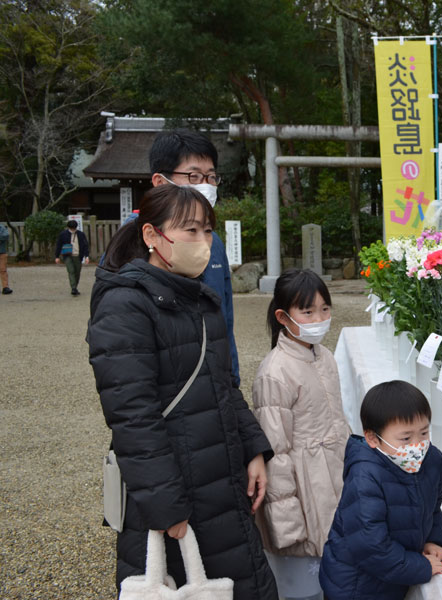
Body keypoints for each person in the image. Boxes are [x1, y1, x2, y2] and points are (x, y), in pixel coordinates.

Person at [87, 184, 278, 600]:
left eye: (207, 231)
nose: (202, 242)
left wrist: (254, 449)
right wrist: (166, 505)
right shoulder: (125, 305)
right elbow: (132, 416)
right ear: (152, 236)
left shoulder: (200, 298)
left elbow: (225, 385)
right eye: (190, 231)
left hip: (222, 479)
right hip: (177, 492)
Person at [252, 268, 351, 599]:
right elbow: (275, 455)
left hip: (333, 478)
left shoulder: (325, 357)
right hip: (303, 487)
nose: (319, 318)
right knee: (304, 583)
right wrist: (287, 525)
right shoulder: (274, 373)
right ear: (283, 316)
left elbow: (339, 420)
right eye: (307, 311)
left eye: (324, 309)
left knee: (337, 571)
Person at [319, 380, 442, 600]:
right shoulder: (364, 477)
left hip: (392, 578)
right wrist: (419, 567)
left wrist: (432, 539)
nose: (417, 445)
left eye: (424, 433)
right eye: (406, 438)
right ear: (372, 438)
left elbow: (434, 506)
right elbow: (371, 546)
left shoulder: (432, 460)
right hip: (355, 586)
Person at [149, 128, 241, 386]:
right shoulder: (130, 243)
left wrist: (231, 379)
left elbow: (225, 320)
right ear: (160, 182)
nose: (206, 186)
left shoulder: (215, 243)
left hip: (216, 385)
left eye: (211, 177)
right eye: (194, 176)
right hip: (167, 393)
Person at [54, 219, 90, 295]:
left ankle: (75, 287)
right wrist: (57, 256)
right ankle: (73, 288)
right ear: (68, 227)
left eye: (74, 228)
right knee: (71, 271)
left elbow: (85, 245)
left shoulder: (81, 234)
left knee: (77, 272)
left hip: (78, 255)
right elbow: (59, 245)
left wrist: (87, 256)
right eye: (71, 228)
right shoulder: (63, 234)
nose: (73, 230)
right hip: (67, 255)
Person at [0, 222, 10, 294]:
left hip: (2, 252)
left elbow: (6, 235)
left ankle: (5, 287)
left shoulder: (1, 227)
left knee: (3, 270)